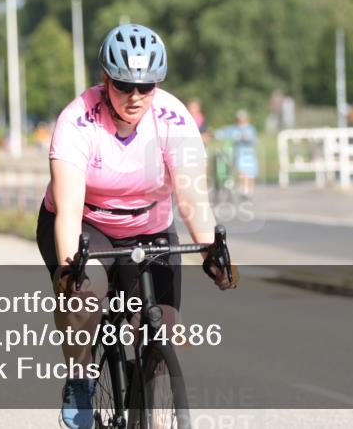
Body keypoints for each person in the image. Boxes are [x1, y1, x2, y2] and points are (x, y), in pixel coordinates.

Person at [38, 23, 235, 429]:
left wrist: (209, 251)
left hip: (150, 225)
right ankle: (80, 379)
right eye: (124, 85)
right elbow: (70, 208)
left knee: (158, 326)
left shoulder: (173, 118)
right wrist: (71, 265)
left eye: (146, 86)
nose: (135, 96)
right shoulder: (77, 120)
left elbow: (193, 199)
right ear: (104, 79)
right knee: (85, 292)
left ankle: (153, 411)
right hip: (86, 222)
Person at [216, 109, 259, 197]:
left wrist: (247, 138)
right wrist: (219, 132)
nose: (241, 120)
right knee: (242, 170)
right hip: (240, 153)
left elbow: (254, 140)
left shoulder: (251, 128)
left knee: (250, 172)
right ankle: (244, 188)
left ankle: (249, 189)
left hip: (249, 153)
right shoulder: (234, 128)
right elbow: (223, 134)